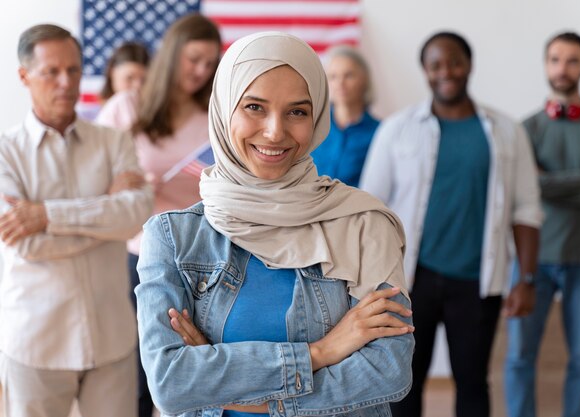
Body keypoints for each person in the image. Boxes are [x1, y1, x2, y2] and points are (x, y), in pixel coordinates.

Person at [135, 31, 415, 417]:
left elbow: (389, 372)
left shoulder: (364, 224)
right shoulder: (173, 237)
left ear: (316, 118)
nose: (274, 131)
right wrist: (321, 353)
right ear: (224, 108)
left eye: (297, 111)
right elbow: (170, 383)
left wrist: (229, 390)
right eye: (254, 107)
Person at [360, 31, 543, 417]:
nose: (447, 71)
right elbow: (370, 208)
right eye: (436, 64)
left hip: (478, 282)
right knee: (403, 380)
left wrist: (525, 279)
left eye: (454, 62)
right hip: (409, 282)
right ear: (425, 71)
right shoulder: (397, 128)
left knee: (472, 380)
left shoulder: (507, 132)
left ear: (469, 65)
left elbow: (526, 209)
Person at [0, 24, 153, 417]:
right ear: (24, 76)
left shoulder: (113, 140)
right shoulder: (6, 153)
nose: (66, 82)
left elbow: (135, 217)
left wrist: (47, 214)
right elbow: (26, 242)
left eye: (74, 69)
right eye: (52, 71)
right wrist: (105, 212)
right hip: (36, 344)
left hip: (112, 341)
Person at [96, 12, 221, 417]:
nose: (201, 71)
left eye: (210, 63)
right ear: (171, 54)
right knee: (137, 367)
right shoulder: (125, 107)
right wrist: (122, 186)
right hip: (138, 254)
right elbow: (89, 184)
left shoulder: (214, 118)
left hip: (199, 257)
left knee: (189, 368)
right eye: (194, 59)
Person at [504, 32, 580, 417]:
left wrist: (549, 184)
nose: (563, 68)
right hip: (532, 260)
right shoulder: (527, 128)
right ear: (545, 65)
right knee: (520, 356)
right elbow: (524, 190)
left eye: (572, 60)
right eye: (555, 59)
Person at [310, 45, 379, 187]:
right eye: (333, 77)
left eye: (349, 75)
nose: (340, 83)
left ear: (364, 80)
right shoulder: (312, 125)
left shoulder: (380, 132)